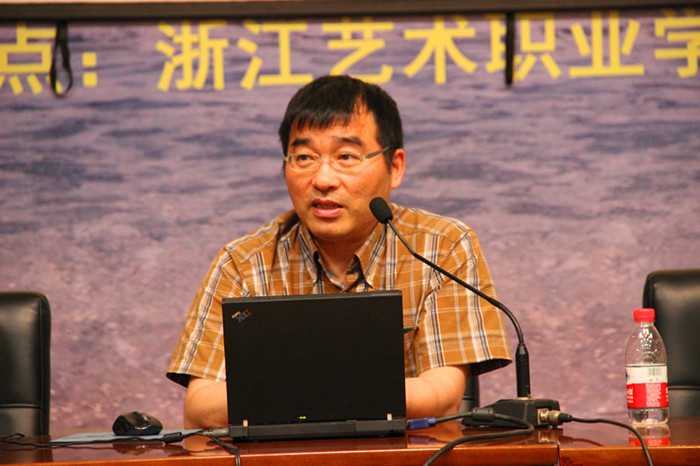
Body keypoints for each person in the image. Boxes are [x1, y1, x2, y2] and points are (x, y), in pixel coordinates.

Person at [167, 75, 511, 429]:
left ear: (395, 167)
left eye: (346, 156)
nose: (323, 179)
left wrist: (289, 392)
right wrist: (342, 391)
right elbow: (200, 407)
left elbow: (441, 395)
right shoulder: (243, 263)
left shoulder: (442, 246)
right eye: (304, 157)